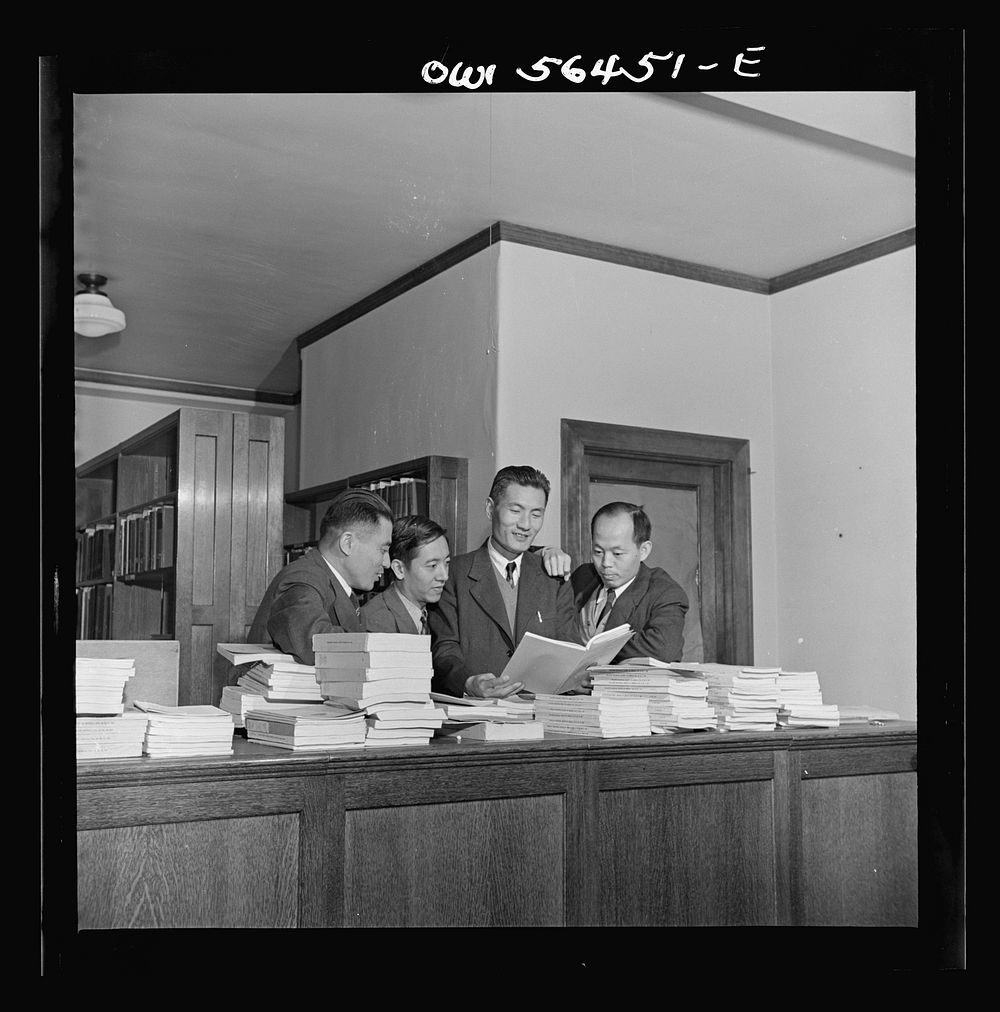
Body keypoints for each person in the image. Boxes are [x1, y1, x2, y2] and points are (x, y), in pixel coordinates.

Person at [430, 465, 578, 698]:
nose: (526, 524)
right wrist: (468, 683)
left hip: (543, 717)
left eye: (536, 514)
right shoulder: (454, 574)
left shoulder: (554, 577)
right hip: (479, 717)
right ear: (490, 508)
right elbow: (444, 648)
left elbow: (570, 647)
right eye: (515, 510)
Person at [245, 488, 394, 666]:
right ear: (348, 543)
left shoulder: (331, 582)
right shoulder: (303, 579)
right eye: (383, 550)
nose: (387, 562)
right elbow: (314, 644)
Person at [571, 502, 689, 672]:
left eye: (617, 554)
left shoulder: (665, 592)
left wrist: (596, 651)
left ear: (644, 551)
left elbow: (664, 650)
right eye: (598, 552)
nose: (606, 563)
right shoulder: (583, 576)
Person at [360, 515, 450, 634]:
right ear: (399, 569)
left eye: (447, 563)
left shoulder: (439, 612)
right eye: (432, 565)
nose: (444, 576)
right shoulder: (375, 624)